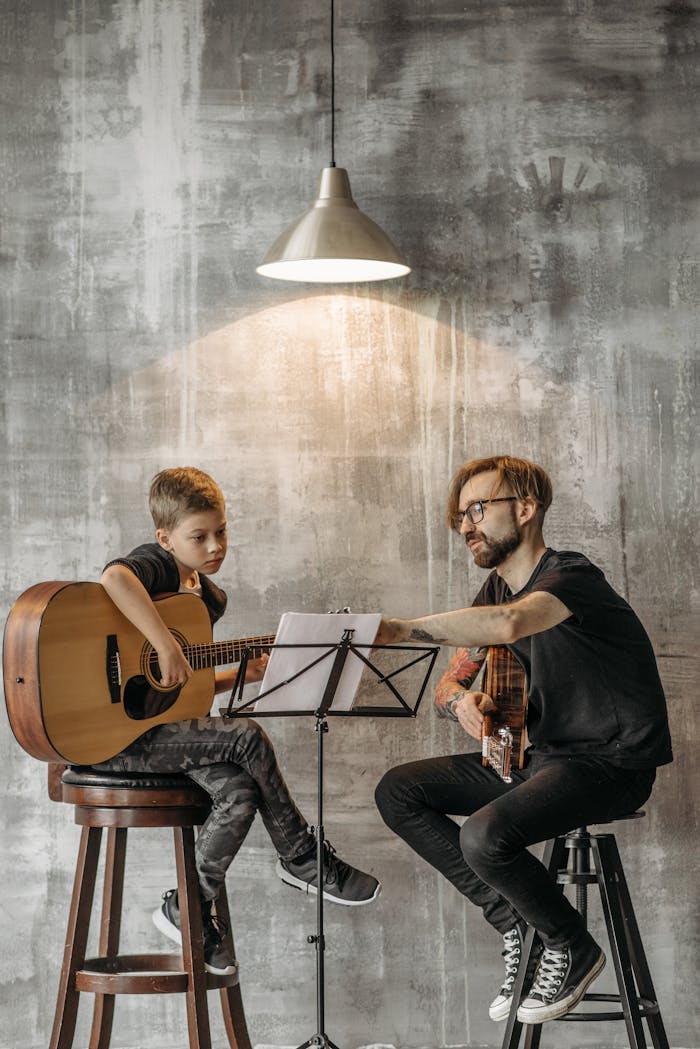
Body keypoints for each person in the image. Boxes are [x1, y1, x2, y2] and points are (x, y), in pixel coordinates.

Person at [374, 454, 672, 1025]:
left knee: (485, 835)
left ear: (526, 509)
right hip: (544, 760)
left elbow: (509, 625)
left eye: (479, 509)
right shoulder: (493, 590)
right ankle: (517, 920)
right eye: (461, 514)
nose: (466, 525)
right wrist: (463, 701)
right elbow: (450, 683)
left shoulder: (571, 577)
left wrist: (401, 630)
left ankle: (571, 945)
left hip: (611, 765)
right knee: (399, 791)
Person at [94, 466, 380, 976]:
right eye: (198, 537)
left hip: (167, 732)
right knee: (245, 735)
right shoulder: (157, 566)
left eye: (221, 532)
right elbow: (114, 578)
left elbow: (183, 684)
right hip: (121, 737)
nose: (214, 546)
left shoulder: (209, 599)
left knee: (241, 793)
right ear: (165, 538)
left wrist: (239, 675)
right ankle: (301, 857)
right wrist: (160, 641)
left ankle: (186, 906)